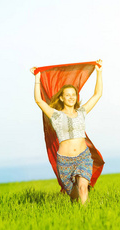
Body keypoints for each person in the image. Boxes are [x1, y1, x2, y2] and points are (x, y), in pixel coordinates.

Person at [30, 59, 103, 205]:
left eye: (73, 95)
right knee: (74, 195)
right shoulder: (55, 115)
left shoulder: (81, 112)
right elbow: (39, 101)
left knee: (83, 188)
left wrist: (99, 72)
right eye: (67, 95)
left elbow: (97, 94)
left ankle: (87, 218)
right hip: (64, 161)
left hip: (83, 157)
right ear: (62, 98)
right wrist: (37, 77)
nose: (71, 97)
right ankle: (75, 214)